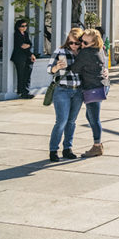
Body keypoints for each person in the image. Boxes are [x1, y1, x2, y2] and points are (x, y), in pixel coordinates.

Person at [67, 29, 107, 158]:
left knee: (94, 118)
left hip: (92, 88)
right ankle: (98, 143)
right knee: (90, 116)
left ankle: (97, 146)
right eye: (80, 41)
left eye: (84, 42)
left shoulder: (85, 53)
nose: (81, 44)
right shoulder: (100, 49)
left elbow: (75, 69)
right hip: (102, 85)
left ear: (93, 42)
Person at [47, 28, 84, 162]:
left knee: (71, 121)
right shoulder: (60, 51)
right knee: (61, 121)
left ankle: (67, 148)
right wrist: (56, 67)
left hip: (78, 91)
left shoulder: (83, 53)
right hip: (62, 90)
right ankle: (53, 150)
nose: (73, 46)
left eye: (76, 43)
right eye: (71, 43)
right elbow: (49, 69)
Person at [11, 19, 36, 99]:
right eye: (22, 26)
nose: (24, 28)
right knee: (21, 75)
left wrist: (30, 51)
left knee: (28, 74)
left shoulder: (26, 34)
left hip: (27, 56)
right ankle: (22, 92)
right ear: (18, 27)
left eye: (26, 26)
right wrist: (29, 49)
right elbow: (21, 46)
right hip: (19, 57)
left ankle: (26, 91)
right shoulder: (16, 34)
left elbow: (29, 44)